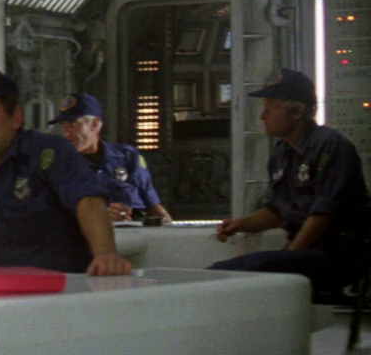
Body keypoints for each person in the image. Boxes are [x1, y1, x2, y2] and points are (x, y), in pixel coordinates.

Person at [0, 69, 132, 276]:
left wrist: (105, 254)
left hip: (67, 288)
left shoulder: (48, 153)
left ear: (16, 118)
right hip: (3, 290)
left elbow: (88, 200)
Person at [212, 69, 369, 292]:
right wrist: (241, 224)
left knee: (224, 275)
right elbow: (277, 211)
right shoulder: (282, 154)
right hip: (305, 254)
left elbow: (323, 215)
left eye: (271, 108)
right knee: (223, 276)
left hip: (338, 253)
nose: (263, 116)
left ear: (297, 113)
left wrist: (288, 261)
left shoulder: (331, 146)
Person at [50, 93, 173, 223]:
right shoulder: (58, 166)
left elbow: (154, 206)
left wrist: (168, 229)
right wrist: (98, 214)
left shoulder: (127, 157)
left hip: (135, 233)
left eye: (73, 123)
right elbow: (51, 217)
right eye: (63, 125)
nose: (66, 131)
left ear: (95, 124)